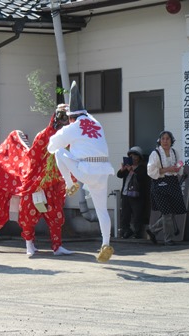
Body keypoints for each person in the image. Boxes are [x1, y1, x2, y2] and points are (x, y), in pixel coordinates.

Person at [0, 106, 75, 256]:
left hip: (52, 181)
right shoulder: (43, 136)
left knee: (55, 215)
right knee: (28, 215)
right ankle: (25, 243)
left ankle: (57, 246)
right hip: (35, 183)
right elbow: (35, 156)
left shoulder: (68, 139)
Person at [47, 81, 115, 263]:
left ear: (71, 118)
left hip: (85, 170)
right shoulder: (96, 122)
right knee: (102, 210)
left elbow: (52, 146)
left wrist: (64, 130)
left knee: (60, 152)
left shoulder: (73, 126)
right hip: (103, 171)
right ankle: (105, 244)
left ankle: (70, 184)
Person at [146, 131, 186, 246]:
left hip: (173, 183)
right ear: (159, 140)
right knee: (166, 213)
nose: (165, 141)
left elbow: (179, 166)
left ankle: (152, 230)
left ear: (171, 140)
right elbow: (151, 171)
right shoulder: (155, 153)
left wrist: (178, 169)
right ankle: (168, 240)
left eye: (167, 139)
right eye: (163, 139)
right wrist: (169, 169)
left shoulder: (175, 152)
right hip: (159, 184)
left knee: (172, 212)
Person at [116, 146, 148, 239]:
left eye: (135, 156)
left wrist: (132, 171)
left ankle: (137, 233)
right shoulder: (127, 167)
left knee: (137, 214)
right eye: (131, 156)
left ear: (139, 157)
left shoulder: (142, 168)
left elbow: (141, 178)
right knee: (125, 215)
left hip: (136, 195)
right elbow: (119, 175)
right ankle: (126, 231)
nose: (133, 158)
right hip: (126, 194)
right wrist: (123, 169)